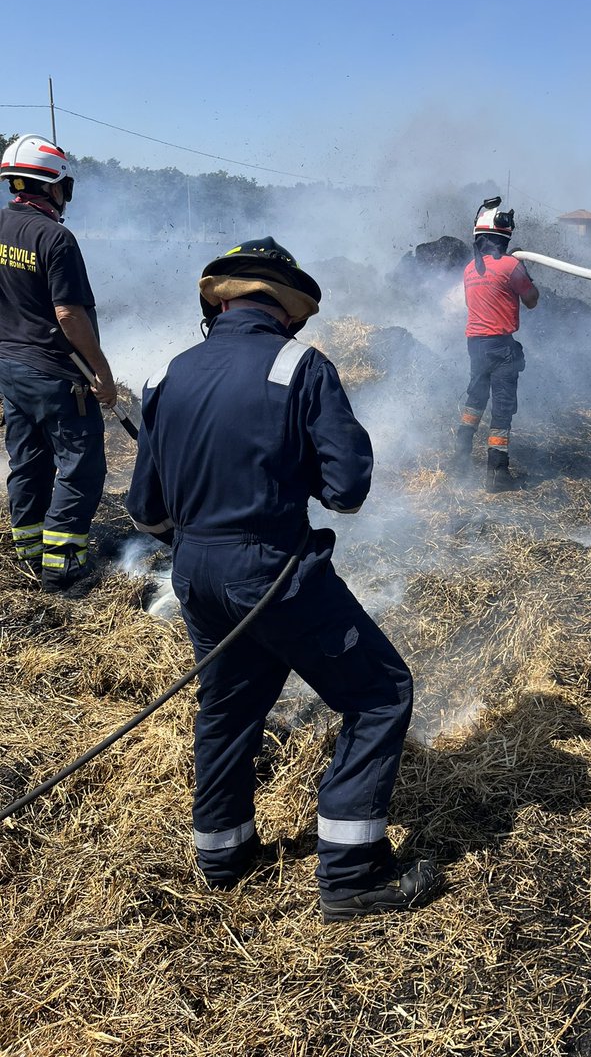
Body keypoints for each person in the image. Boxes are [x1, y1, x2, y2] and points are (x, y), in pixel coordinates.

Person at [125, 237, 437, 920]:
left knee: (229, 706)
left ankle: (222, 855)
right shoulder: (302, 367)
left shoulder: (165, 375)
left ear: (222, 299)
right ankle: (353, 876)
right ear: (287, 308)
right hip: (269, 568)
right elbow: (348, 489)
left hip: (195, 572)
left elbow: (145, 510)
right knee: (381, 693)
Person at [0, 134, 117, 593]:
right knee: (79, 465)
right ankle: (63, 567)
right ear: (52, 186)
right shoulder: (56, 238)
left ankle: (27, 548)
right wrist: (103, 376)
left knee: (27, 458)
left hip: (11, 367)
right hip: (56, 374)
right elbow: (69, 314)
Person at [453, 196, 539, 491]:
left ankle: (459, 457)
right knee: (502, 410)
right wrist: (525, 274)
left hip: (474, 345)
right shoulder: (511, 266)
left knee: (476, 399)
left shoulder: (468, 270)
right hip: (502, 347)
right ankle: (497, 475)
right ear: (503, 237)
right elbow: (531, 301)